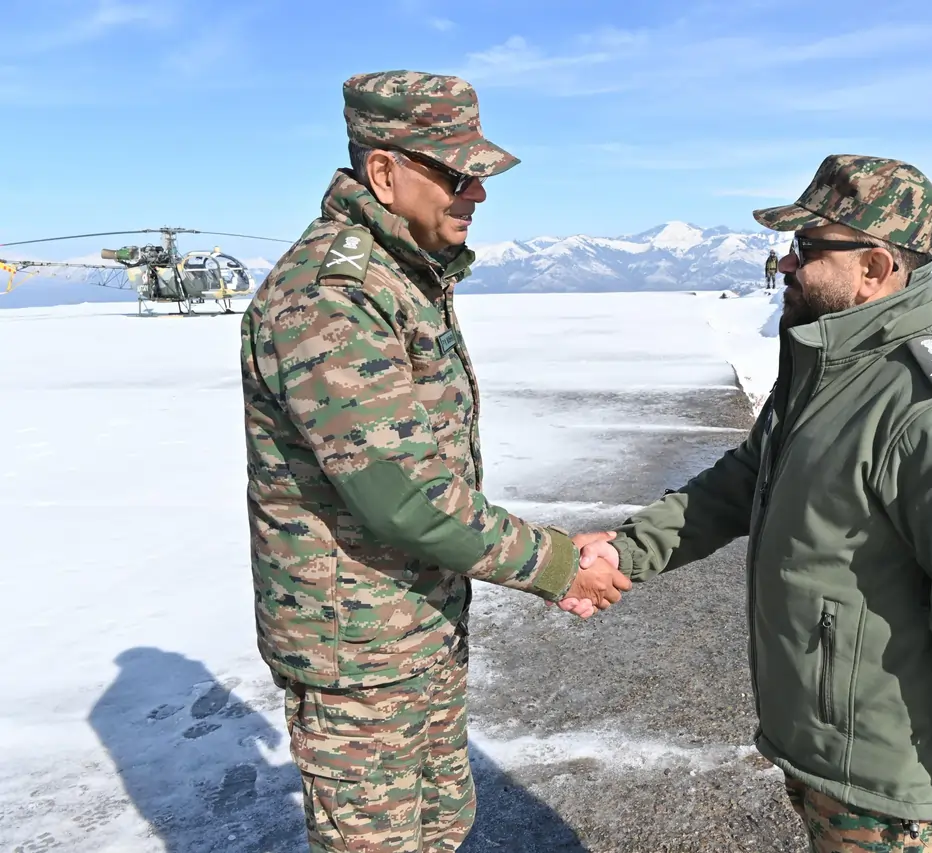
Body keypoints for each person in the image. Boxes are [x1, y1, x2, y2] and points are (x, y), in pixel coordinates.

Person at [567, 155, 932, 851]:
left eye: (808, 247)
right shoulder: (830, 372)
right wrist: (626, 549)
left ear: (876, 268)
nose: (787, 264)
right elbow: (743, 479)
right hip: (825, 754)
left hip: (892, 786)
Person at [239, 70, 631, 853]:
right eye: (457, 173)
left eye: (478, 175)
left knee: (442, 827)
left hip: (416, 626)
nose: (477, 193)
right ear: (384, 172)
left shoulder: (403, 277)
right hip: (357, 651)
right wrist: (556, 562)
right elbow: (402, 494)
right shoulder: (332, 295)